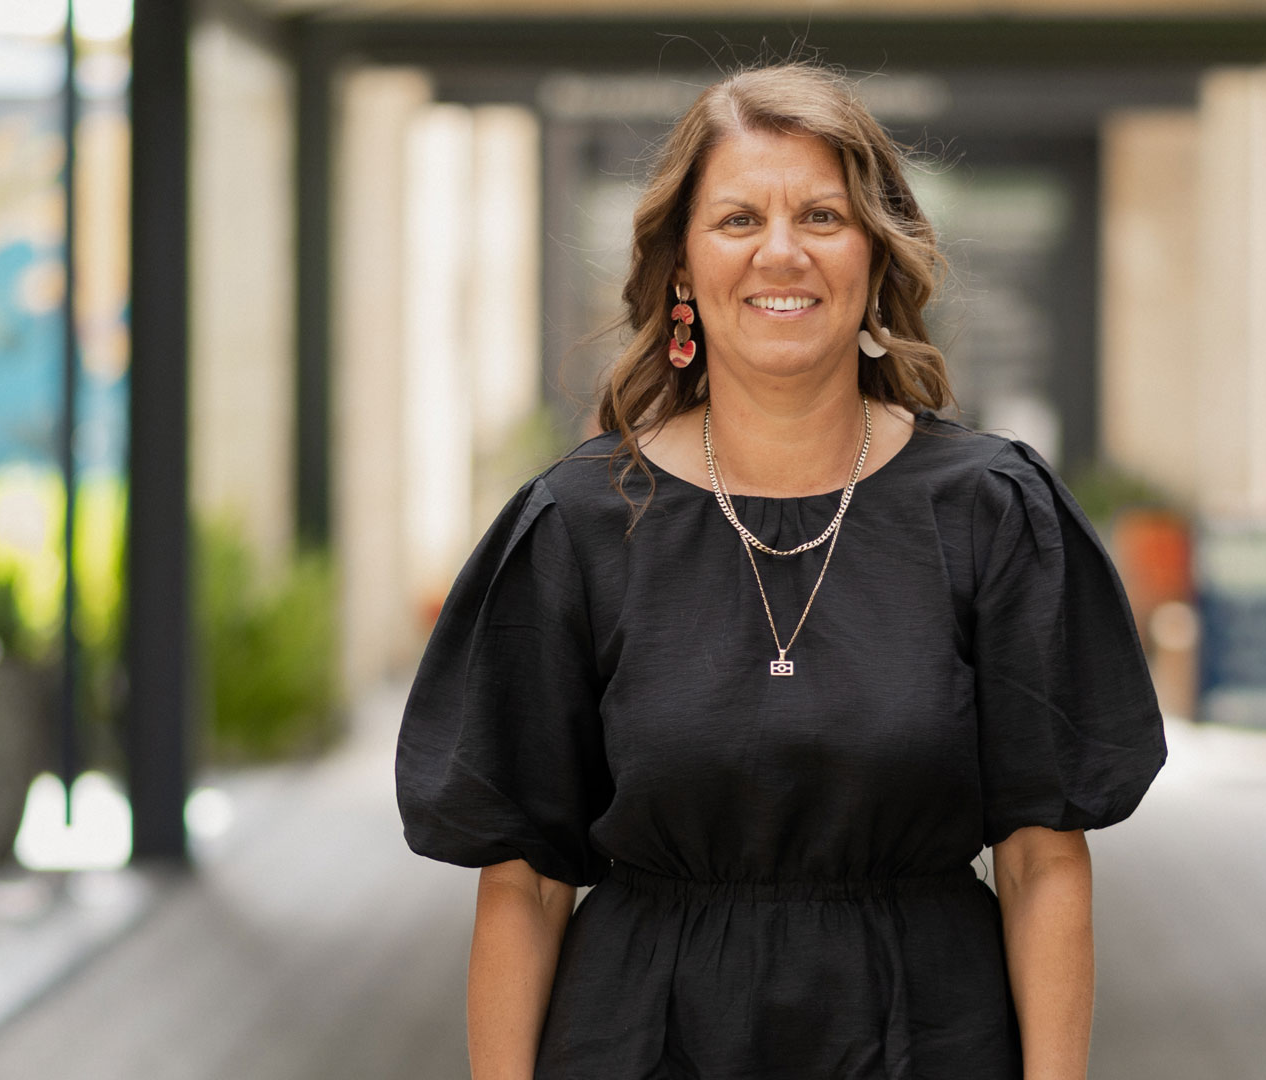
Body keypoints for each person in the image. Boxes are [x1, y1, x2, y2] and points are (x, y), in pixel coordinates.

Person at [395, 60, 1167, 1080]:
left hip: (927, 1037)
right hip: (642, 1041)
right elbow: (526, 884)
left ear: (874, 254)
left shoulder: (993, 510)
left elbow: (1042, 859)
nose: (781, 252)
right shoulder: (573, 526)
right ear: (679, 266)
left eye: (821, 215)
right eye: (736, 220)